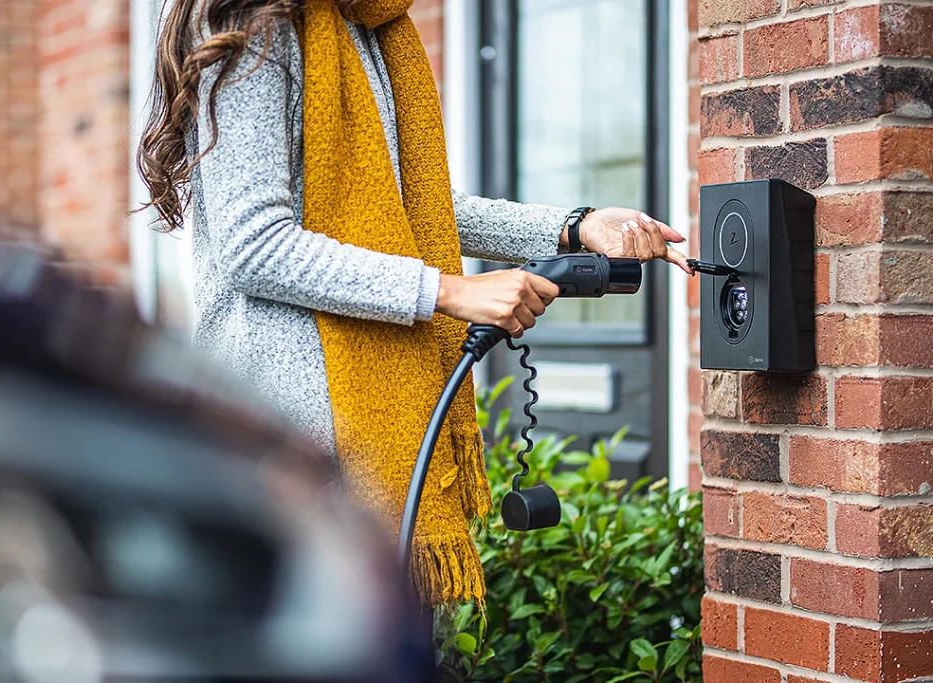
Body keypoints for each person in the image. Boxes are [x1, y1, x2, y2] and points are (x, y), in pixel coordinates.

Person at [137, 0, 691, 613]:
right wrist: (448, 292)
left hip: (372, 454)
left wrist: (574, 227)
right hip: (287, 452)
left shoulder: (372, 31)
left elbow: (415, 210)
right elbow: (254, 244)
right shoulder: (258, 21)